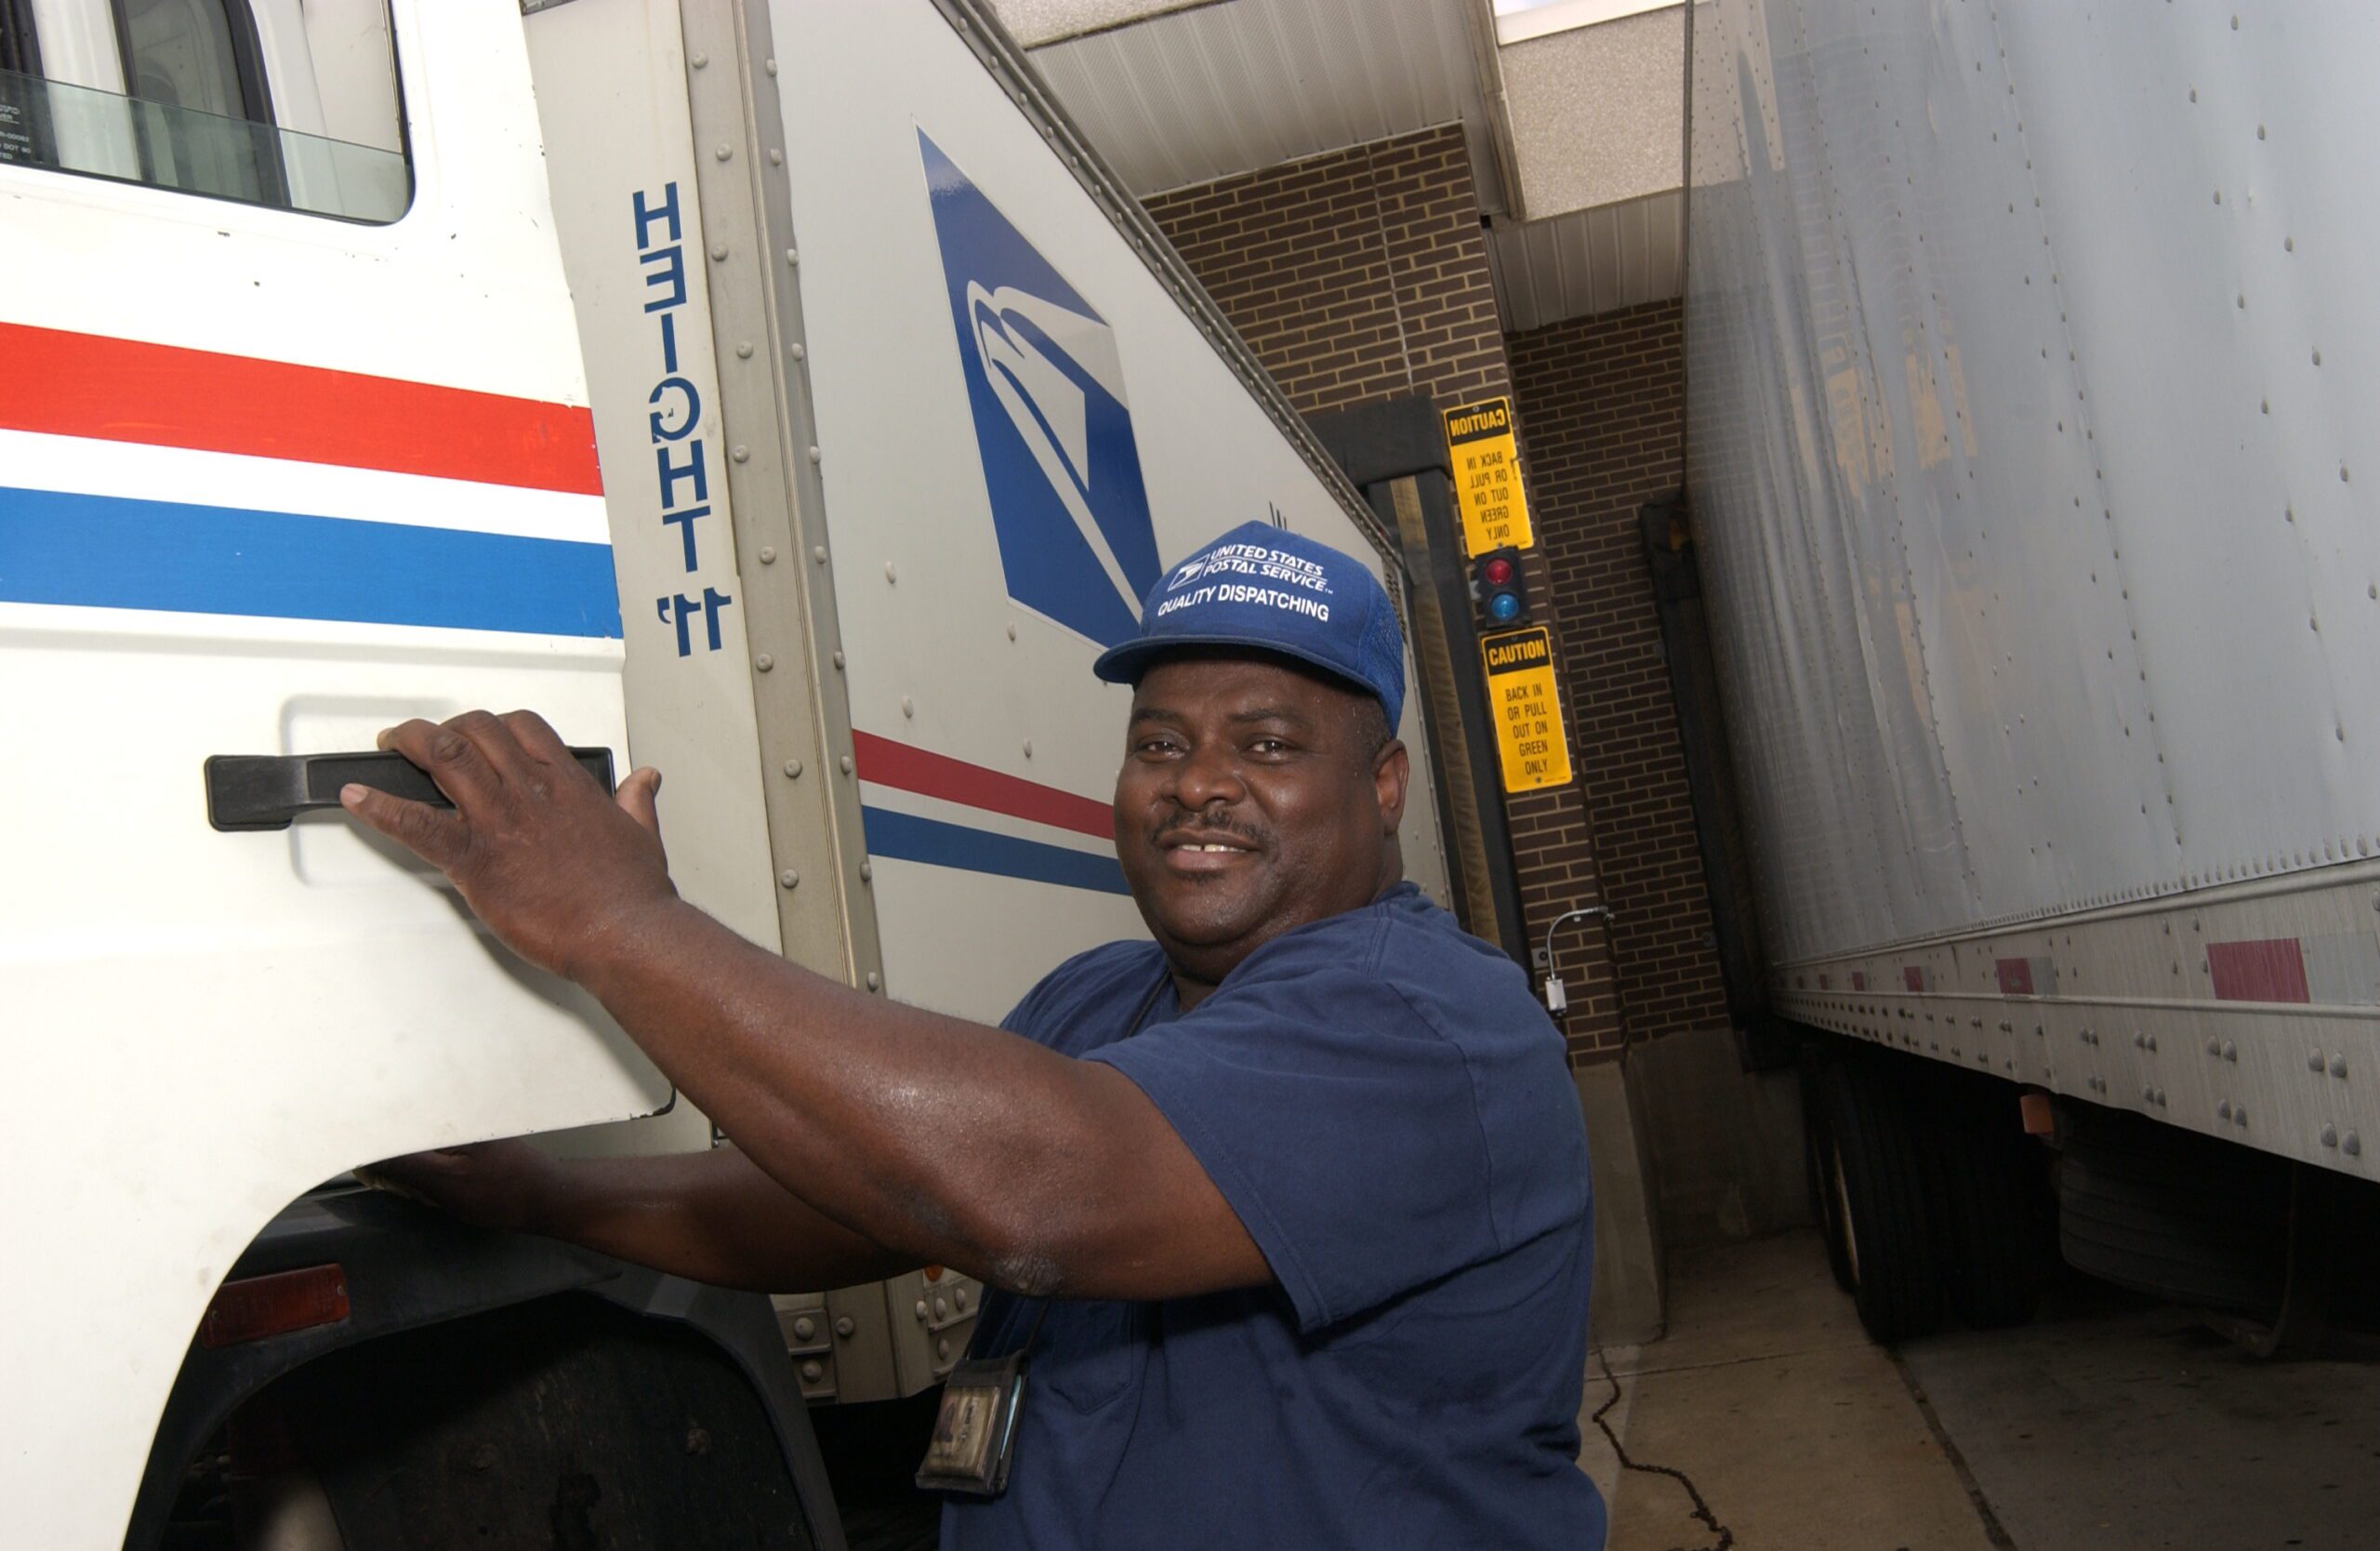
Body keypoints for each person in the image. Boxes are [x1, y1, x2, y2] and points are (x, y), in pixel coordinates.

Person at [350, 520, 1604, 1550]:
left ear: (1383, 785)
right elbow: (863, 1199)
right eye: (1159, 744)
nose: (1197, 783)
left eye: (1267, 746)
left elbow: (1033, 1196)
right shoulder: (1100, 997)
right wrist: (539, 1195)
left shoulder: (1433, 1025)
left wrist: (621, 925)